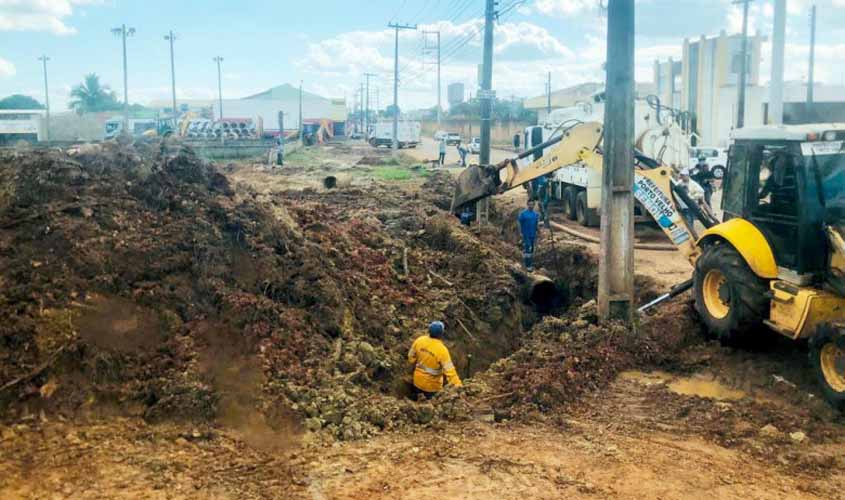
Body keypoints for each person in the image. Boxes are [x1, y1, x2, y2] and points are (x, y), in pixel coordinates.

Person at [407, 321, 462, 399]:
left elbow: (410, 357)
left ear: (429, 331)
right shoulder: (442, 350)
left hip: (417, 382)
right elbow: (450, 372)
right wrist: (458, 386)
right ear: (441, 334)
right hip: (432, 387)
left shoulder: (419, 340)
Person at [518, 199, 540, 272]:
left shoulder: (535, 214)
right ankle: (528, 265)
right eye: (530, 204)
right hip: (526, 234)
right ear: (527, 204)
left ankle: (527, 262)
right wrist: (520, 232)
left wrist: (538, 231)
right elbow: (519, 223)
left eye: (532, 204)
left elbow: (536, 224)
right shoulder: (523, 214)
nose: (531, 206)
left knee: (532, 250)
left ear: (534, 205)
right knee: (528, 248)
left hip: (532, 234)